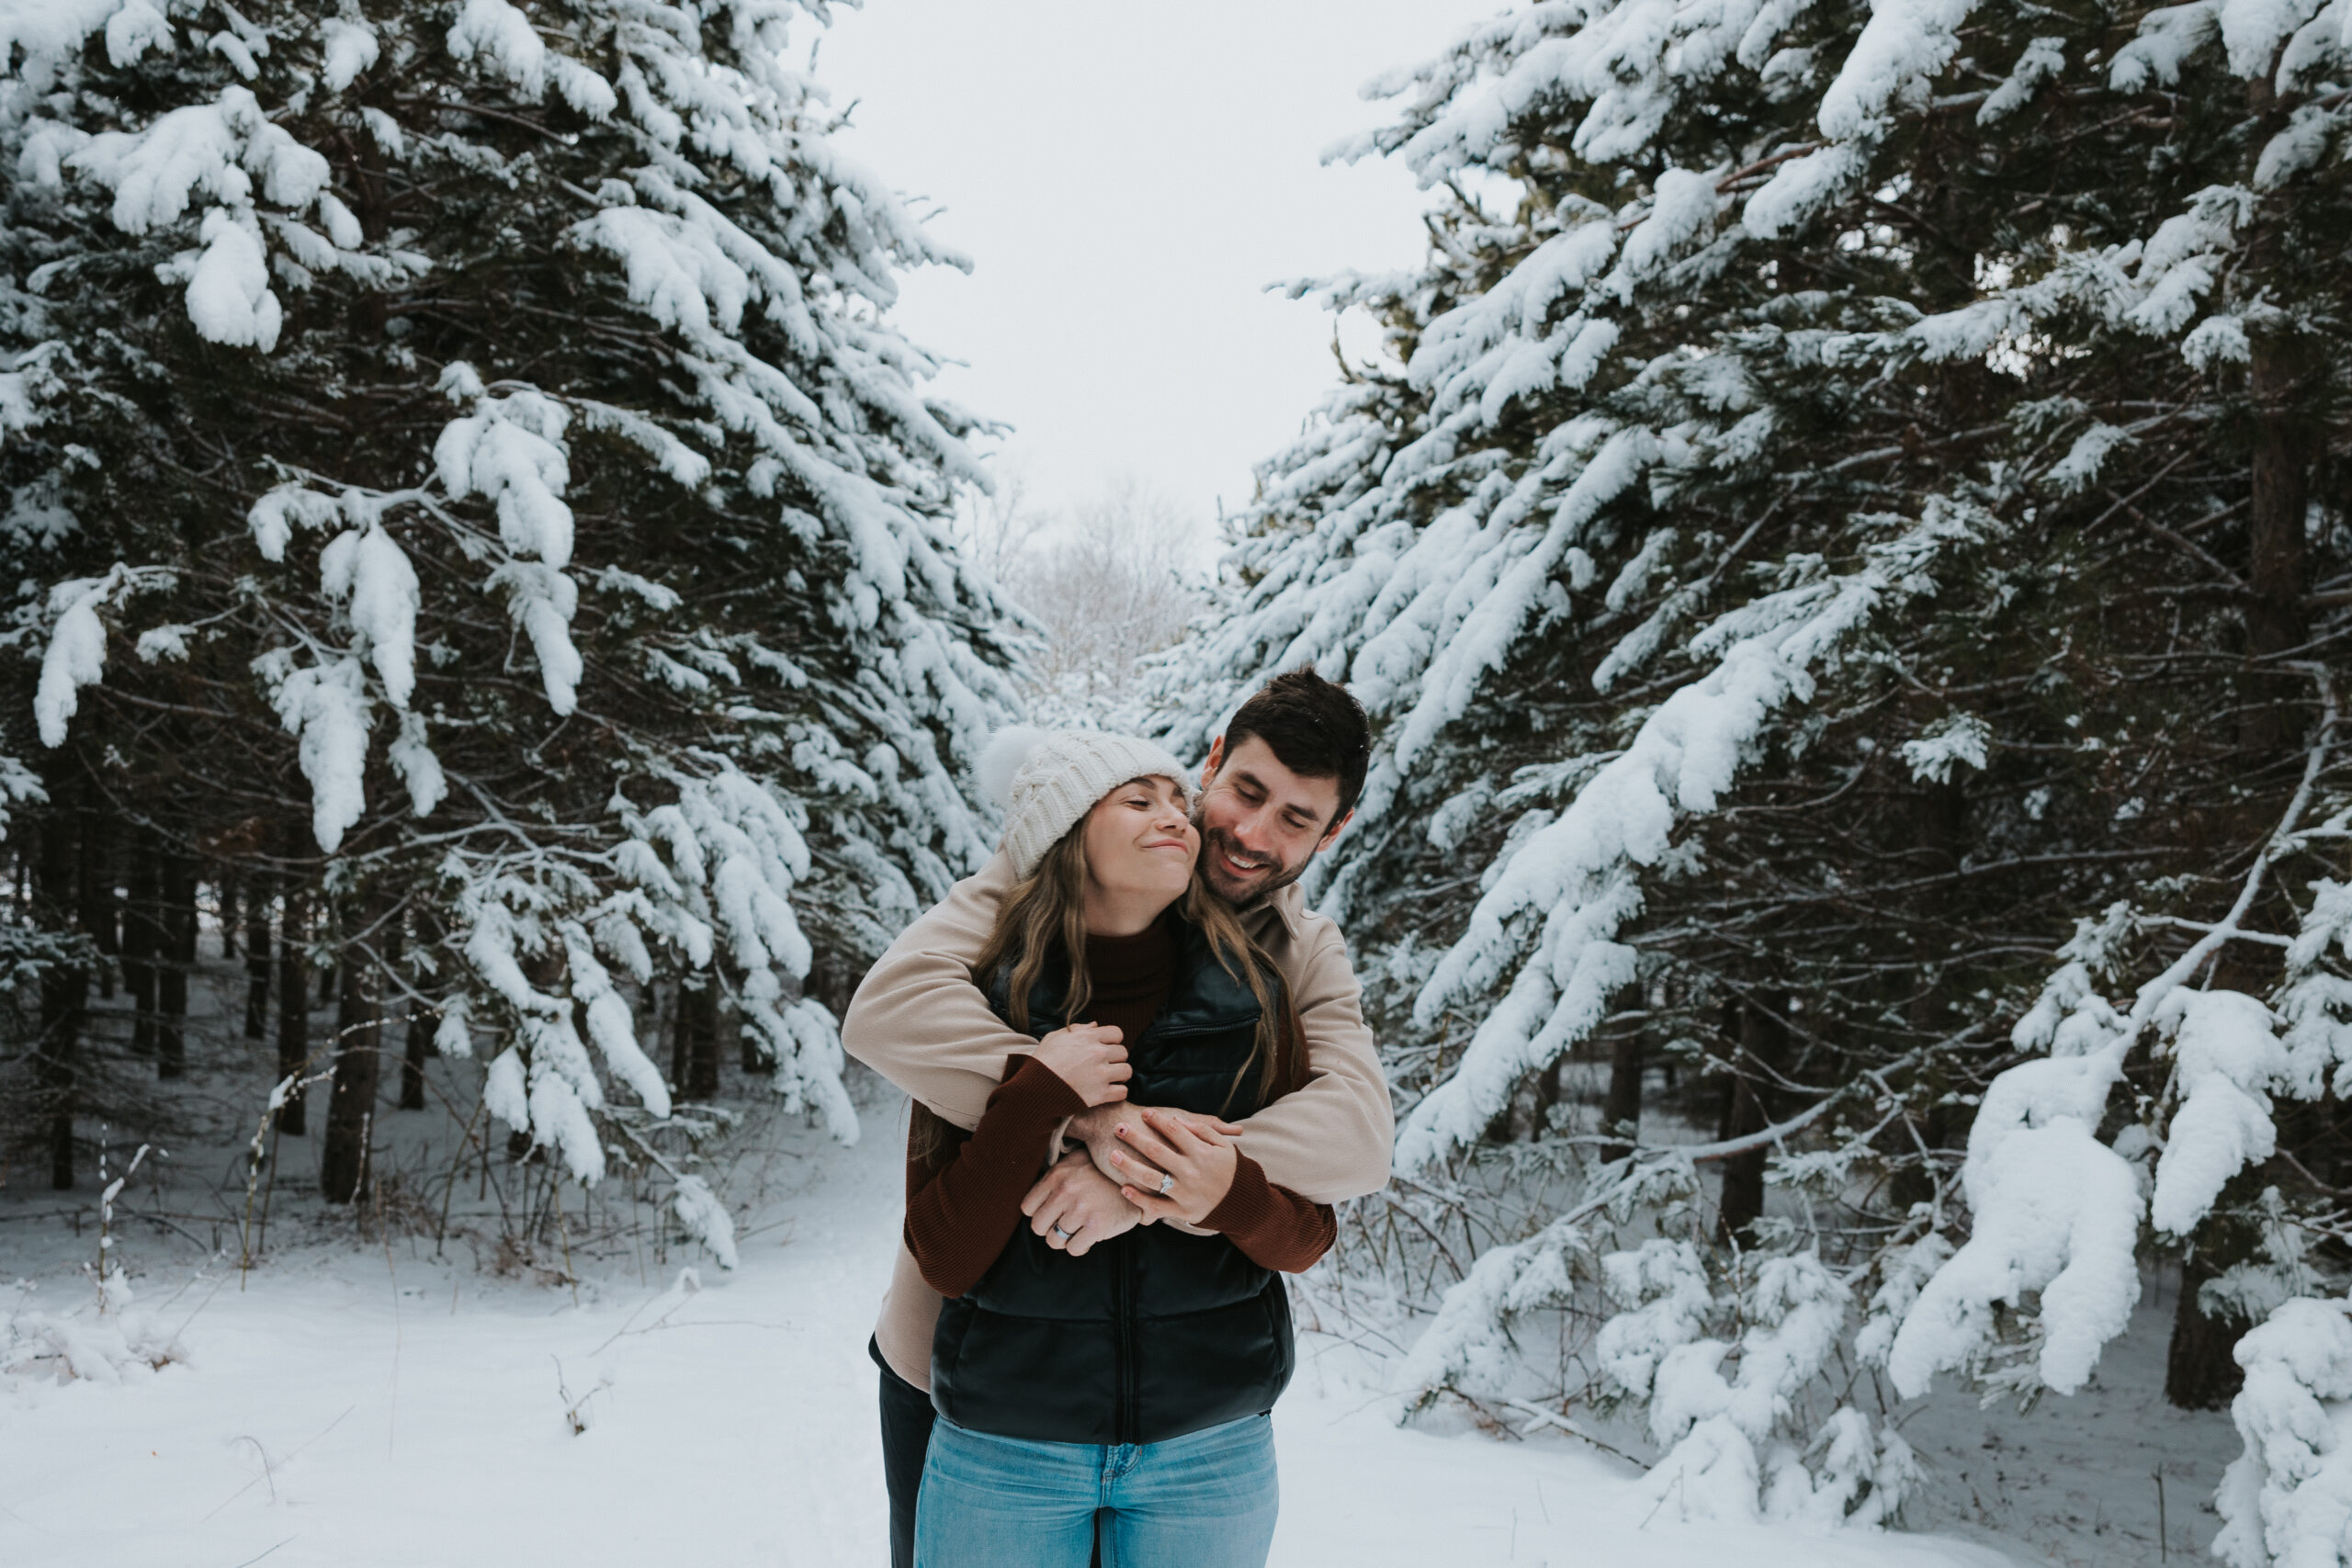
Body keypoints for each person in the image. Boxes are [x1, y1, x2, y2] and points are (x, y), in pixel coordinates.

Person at [844, 671, 1389, 1568]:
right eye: (1246, 791)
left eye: (1296, 818)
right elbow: (889, 1013)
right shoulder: (1051, 867)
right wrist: (1070, 1111)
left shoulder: (1297, 948)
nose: (1253, 835)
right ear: (1211, 763)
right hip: (960, 1368)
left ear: (1333, 833)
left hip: (1184, 1418)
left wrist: (1144, 1174)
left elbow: (1358, 1133)